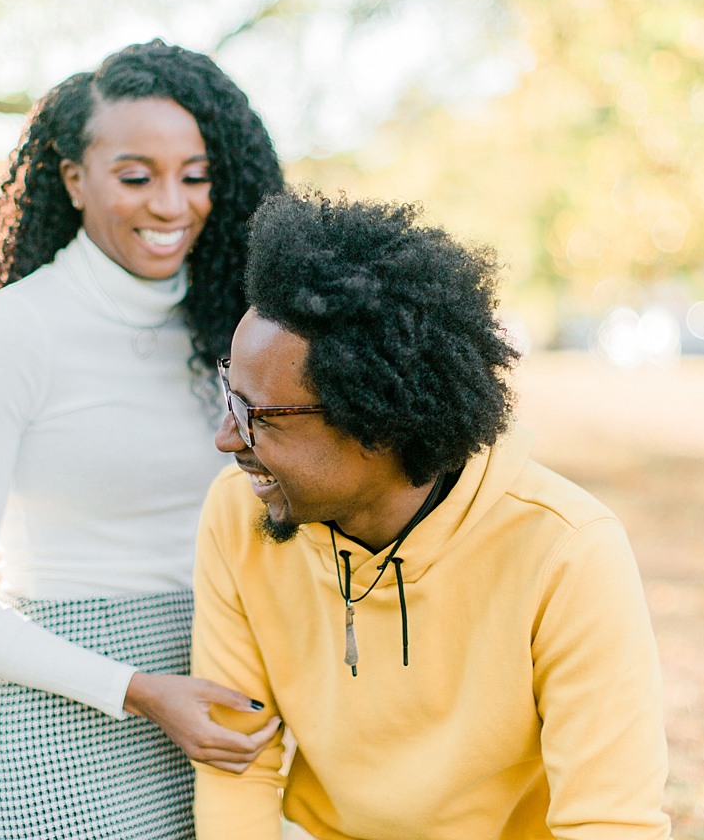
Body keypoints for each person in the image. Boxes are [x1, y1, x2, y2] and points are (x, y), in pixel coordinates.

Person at [192, 190, 671, 839]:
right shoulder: (236, 512)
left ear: (377, 422)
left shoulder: (567, 550)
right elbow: (238, 763)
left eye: (259, 417)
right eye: (230, 394)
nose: (227, 438)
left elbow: (609, 823)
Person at [0, 41, 284, 840]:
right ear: (75, 178)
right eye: (136, 176)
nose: (171, 205)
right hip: (62, 728)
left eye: (196, 175)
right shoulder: (13, 332)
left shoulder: (237, 327)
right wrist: (140, 690)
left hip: (219, 698)